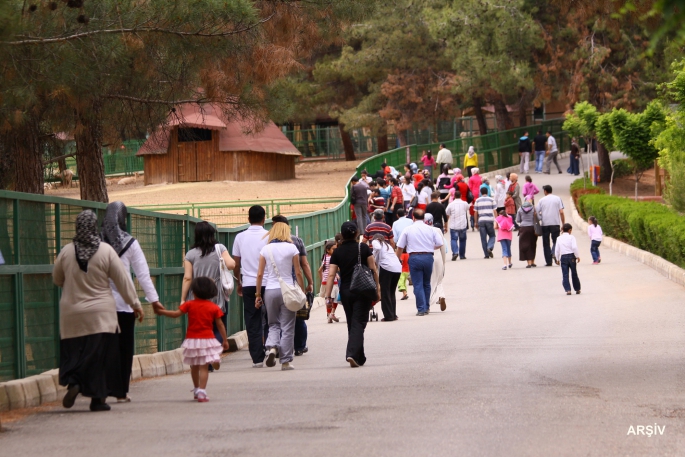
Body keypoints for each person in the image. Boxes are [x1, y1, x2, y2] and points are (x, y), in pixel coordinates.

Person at [53, 210, 143, 412]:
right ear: (95, 227)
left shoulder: (66, 252)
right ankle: (98, 400)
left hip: (71, 314)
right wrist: (135, 304)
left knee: (75, 352)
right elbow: (122, 282)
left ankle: (75, 381)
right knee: (101, 356)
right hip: (101, 315)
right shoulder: (106, 251)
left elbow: (57, 279)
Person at [100, 201, 160, 403]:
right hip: (125, 304)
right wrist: (154, 300)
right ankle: (120, 391)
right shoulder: (130, 243)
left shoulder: (97, 242)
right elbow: (143, 274)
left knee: (105, 347)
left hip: (100, 305)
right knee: (124, 348)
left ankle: (104, 386)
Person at [153, 277, 228, 402]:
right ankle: (202, 392)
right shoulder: (214, 307)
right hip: (207, 339)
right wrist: (224, 340)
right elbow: (220, 325)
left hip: (192, 339)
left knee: (194, 366)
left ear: (193, 291)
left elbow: (176, 314)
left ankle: (196, 388)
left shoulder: (189, 304)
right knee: (204, 367)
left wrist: (163, 312)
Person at [325, 222, 380, 367]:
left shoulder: (337, 252)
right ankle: (352, 354)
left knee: (353, 322)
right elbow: (373, 269)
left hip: (346, 292)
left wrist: (328, 295)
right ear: (357, 233)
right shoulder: (363, 248)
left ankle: (359, 357)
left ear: (342, 235)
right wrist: (377, 289)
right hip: (362, 290)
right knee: (359, 322)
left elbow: (331, 275)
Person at [255, 222, 305, 371]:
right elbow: (298, 272)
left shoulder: (265, 249)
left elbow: (259, 274)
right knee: (288, 326)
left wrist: (258, 294)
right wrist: (301, 290)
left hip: (270, 291)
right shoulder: (292, 248)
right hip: (288, 291)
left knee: (273, 324)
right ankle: (285, 361)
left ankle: (271, 348)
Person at [183, 221, 236, 356]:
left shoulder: (190, 254)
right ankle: (214, 353)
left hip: (196, 296)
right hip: (215, 294)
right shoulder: (220, 249)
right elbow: (231, 265)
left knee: (201, 329)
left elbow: (187, 278)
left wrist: (183, 299)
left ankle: (205, 357)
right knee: (218, 327)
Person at [271, 215, 314, 357]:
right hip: (293, 284)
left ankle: (276, 347)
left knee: (276, 319)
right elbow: (304, 264)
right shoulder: (296, 241)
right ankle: (300, 346)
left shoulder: (268, 242)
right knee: (297, 315)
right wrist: (310, 282)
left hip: (272, 285)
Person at [232, 205, 269, 368]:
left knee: (252, 320)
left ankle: (257, 357)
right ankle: (271, 347)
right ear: (264, 218)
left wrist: (238, 282)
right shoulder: (269, 236)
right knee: (271, 317)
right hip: (268, 283)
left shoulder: (240, 237)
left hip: (248, 284)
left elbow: (236, 262)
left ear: (248, 219)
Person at [395, 209, 444, 316]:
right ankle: (427, 307)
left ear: (413, 217)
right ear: (424, 218)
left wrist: (396, 258)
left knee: (417, 284)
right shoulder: (430, 229)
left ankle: (421, 309)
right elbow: (440, 243)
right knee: (426, 283)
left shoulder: (408, 229)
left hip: (414, 257)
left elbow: (400, 246)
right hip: (428, 257)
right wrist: (430, 247)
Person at [372, 233, 402, 321]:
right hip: (397, 268)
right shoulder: (387, 245)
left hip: (387, 268)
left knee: (385, 292)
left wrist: (372, 254)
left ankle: (388, 316)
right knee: (391, 292)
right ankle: (393, 314)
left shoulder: (376, 242)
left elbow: (377, 248)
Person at [536, 185, 566, 266]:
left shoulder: (541, 200)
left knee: (546, 243)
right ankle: (554, 252)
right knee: (556, 241)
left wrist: (541, 218)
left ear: (545, 191)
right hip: (555, 223)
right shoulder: (557, 198)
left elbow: (536, 212)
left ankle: (548, 262)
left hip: (545, 224)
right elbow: (561, 212)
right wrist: (563, 224)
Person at [424, 214, 447, 312]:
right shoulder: (437, 230)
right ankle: (441, 296)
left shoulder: (422, 231)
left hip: (426, 256)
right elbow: (443, 247)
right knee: (439, 279)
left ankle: (428, 302)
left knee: (428, 281)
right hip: (437, 256)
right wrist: (443, 262)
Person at [554, 223, 581, 295]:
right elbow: (574, 247)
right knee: (574, 273)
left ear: (562, 230)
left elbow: (557, 250)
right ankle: (577, 289)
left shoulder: (559, 238)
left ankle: (568, 289)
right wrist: (577, 256)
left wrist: (557, 259)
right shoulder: (572, 237)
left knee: (565, 274)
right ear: (570, 230)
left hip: (563, 257)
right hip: (572, 256)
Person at [318, 241, 340, 323]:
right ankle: (332, 313)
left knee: (328, 298)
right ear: (328, 250)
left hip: (325, 281)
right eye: (333, 249)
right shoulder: (333, 258)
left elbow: (320, 270)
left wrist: (322, 279)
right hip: (332, 281)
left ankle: (328, 314)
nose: (335, 250)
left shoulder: (325, 257)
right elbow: (336, 269)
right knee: (335, 299)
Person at [445, 190, 469, 261]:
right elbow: (467, 209)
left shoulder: (451, 204)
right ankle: (462, 255)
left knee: (453, 239)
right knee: (462, 240)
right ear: (461, 196)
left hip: (454, 225)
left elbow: (447, 213)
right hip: (463, 225)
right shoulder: (465, 203)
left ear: (454, 196)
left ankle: (455, 252)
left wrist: (446, 223)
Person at [473, 187, 497, 259]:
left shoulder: (477, 200)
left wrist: (476, 222)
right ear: (487, 192)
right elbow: (495, 211)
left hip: (481, 220)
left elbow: (475, 212)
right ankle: (489, 247)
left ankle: (486, 255)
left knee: (483, 238)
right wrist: (497, 221)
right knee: (492, 236)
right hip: (489, 220)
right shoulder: (491, 200)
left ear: (480, 192)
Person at [516, 200, 539, 268]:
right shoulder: (534, 208)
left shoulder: (520, 209)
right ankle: (532, 261)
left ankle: (528, 263)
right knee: (533, 244)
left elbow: (518, 220)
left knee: (525, 244)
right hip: (532, 228)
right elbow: (537, 217)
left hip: (523, 228)